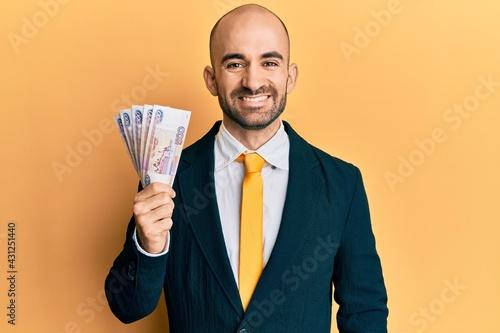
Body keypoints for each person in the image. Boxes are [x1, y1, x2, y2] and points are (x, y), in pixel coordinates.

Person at [105, 4, 388, 332]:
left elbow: (364, 311)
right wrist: (148, 246)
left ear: (290, 76)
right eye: (235, 63)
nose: (253, 82)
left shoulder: (342, 184)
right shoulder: (167, 178)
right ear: (212, 79)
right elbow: (128, 307)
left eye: (269, 62)